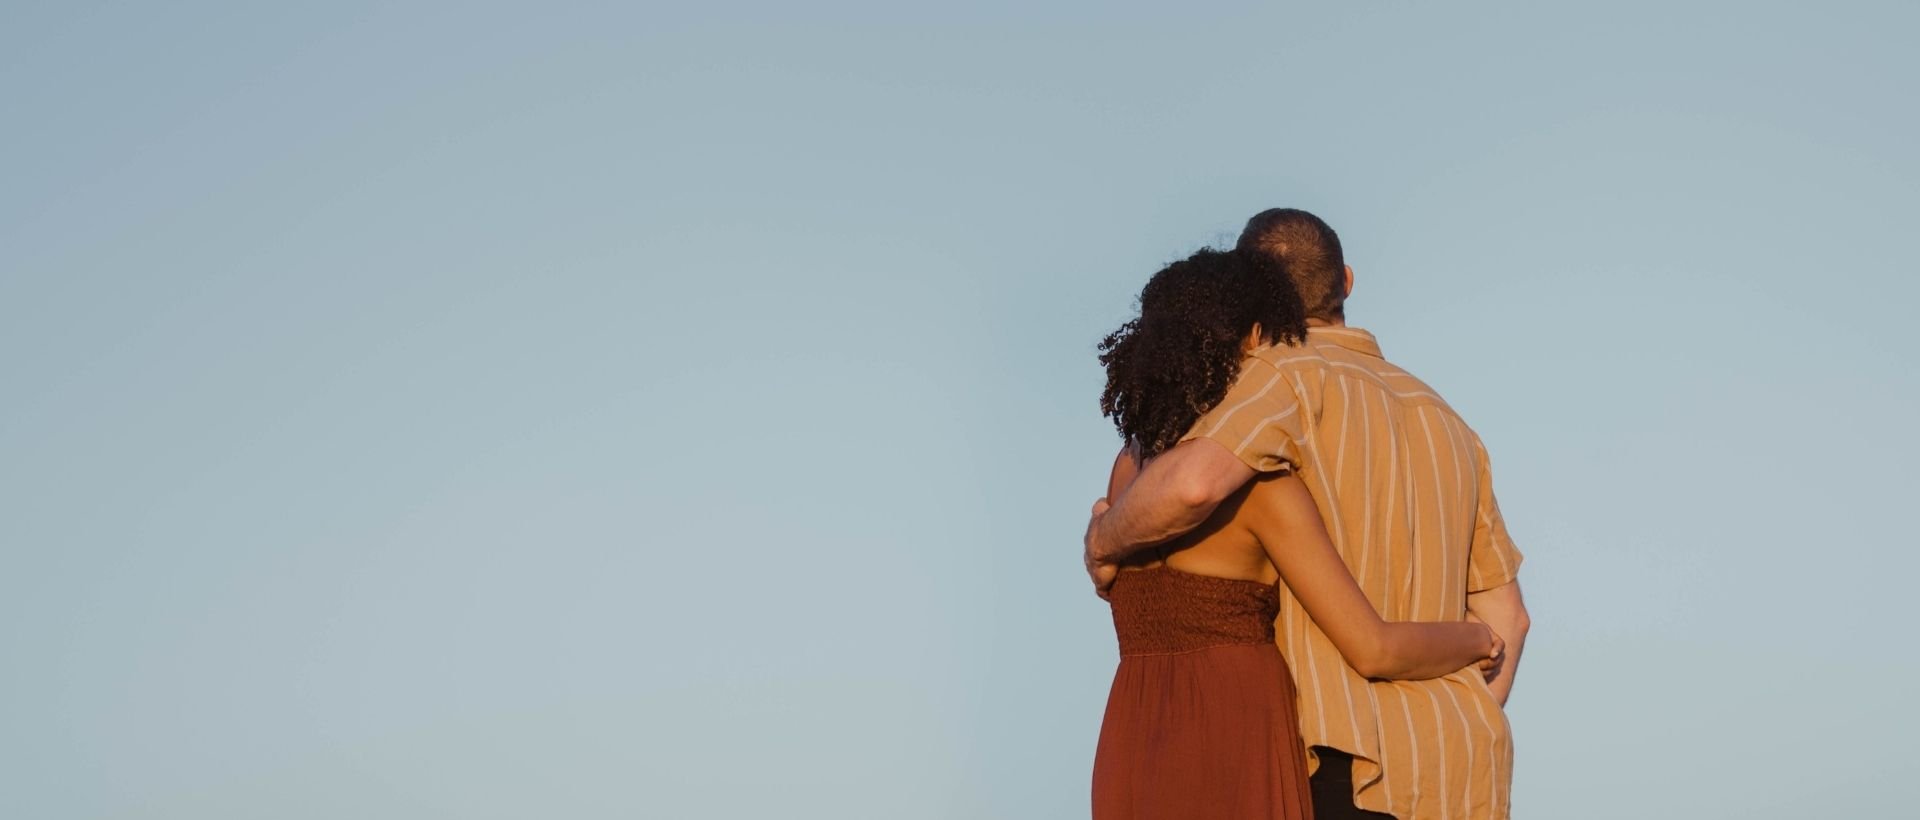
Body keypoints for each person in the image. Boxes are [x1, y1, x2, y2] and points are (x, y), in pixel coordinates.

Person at [1085, 209, 1533, 820]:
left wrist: (1103, 541)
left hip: (1324, 755)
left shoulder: (1272, 383)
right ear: (1345, 281)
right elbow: (1510, 617)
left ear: (1250, 309)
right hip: (1455, 773)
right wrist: (1454, 718)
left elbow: (1191, 485)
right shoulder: (1449, 423)